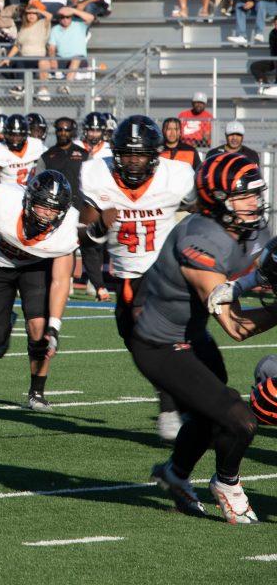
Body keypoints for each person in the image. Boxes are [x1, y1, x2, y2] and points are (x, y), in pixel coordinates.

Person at [133, 152, 273, 524]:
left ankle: (174, 474)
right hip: (160, 344)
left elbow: (258, 272)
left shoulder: (247, 227)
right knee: (240, 421)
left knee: (212, 416)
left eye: (255, 195)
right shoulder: (200, 238)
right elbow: (236, 326)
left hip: (192, 335)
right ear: (218, 200)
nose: (254, 204)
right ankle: (227, 485)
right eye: (243, 196)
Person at [80, 116, 196, 441]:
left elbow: (200, 206)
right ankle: (177, 397)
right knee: (136, 344)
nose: (133, 161)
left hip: (163, 268)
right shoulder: (97, 174)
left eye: (141, 154)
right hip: (125, 273)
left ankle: (173, 405)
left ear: (154, 155)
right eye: (127, 154)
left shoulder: (175, 177)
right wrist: (100, 227)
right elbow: (85, 235)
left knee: (151, 332)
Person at [0, 171, 78, 411]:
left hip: (36, 267)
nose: (47, 214)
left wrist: (55, 326)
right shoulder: (4, 201)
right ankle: (5, 322)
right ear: (29, 200)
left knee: (40, 332)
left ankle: (37, 392)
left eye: (54, 209)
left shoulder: (67, 227)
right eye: (42, 206)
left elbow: (60, 280)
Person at [0, 114, 45, 187]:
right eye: (11, 135)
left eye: (18, 135)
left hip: (30, 192)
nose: (15, 139)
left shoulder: (36, 145)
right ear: (5, 134)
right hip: (8, 193)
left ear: (25, 134)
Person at [41, 117, 88, 203]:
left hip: (79, 202)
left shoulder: (85, 155)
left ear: (72, 132)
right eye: (60, 130)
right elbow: (40, 183)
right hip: (55, 203)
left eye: (67, 130)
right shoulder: (46, 156)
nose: (63, 133)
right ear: (56, 131)